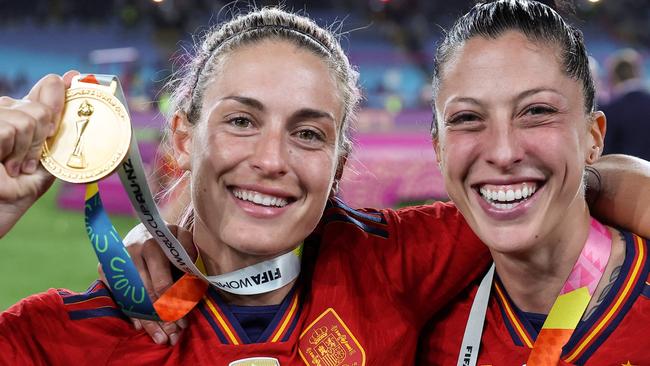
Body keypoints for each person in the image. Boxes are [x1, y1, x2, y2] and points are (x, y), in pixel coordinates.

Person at [1, 6, 649, 366]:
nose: (272, 159)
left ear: (338, 165)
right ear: (180, 137)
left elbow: (538, 190)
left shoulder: (393, 261)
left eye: (309, 133)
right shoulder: (70, 335)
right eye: (241, 121)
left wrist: (623, 182)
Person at [419, 1, 650, 364]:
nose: (503, 151)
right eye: (466, 117)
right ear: (439, 150)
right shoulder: (423, 322)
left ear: (593, 137)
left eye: (537, 111)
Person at [602, 48, 650, 161]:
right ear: (638, 73)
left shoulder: (611, 109)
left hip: (624, 175)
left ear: (614, 76)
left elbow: (605, 153)